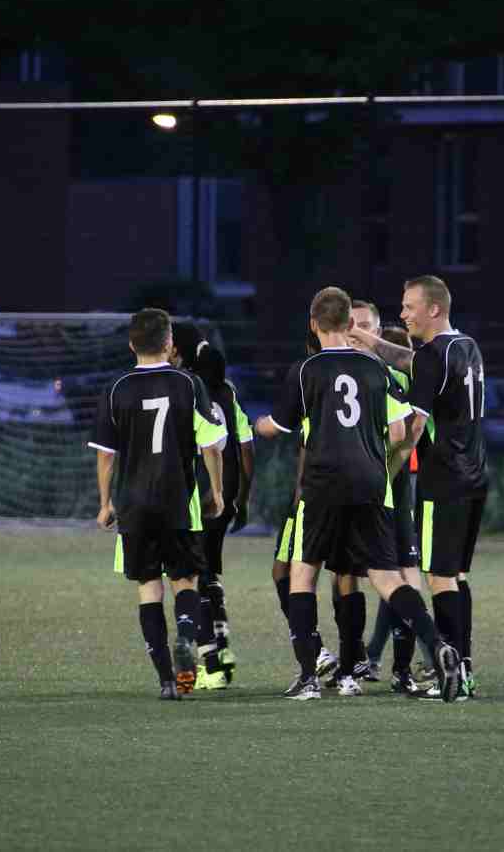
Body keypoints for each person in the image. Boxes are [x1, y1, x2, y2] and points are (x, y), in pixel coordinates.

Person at [255, 287, 462, 702]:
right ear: (350, 323)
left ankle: (308, 678)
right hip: (371, 482)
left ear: (313, 324)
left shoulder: (305, 370)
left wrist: (258, 425)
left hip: (323, 484)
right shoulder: (374, 369)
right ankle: (437, 643)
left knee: (304, 572)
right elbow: (400, 431)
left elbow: (278, 427)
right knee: (385, 577)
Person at [352, 275, 487, 699]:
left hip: (442, 480)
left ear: (433, 309)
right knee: (457, 576)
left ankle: (452, 676)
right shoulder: (465, 346)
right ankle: (465, 671)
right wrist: (367, 339)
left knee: (440, 578)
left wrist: (385, 472)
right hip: (475, 476)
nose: (403, 313)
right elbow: (411, 361)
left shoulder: (432, 356)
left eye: (410, 306)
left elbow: (413, 429)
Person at [90, 308, 228, 700]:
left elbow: (106, 454)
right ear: (169, 344)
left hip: (133, 505)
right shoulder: (188, 383)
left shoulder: (116, 388)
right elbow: (211, 446)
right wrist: (216, 492)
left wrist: (105, 503)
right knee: (185, 581)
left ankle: (168, 680)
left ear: (131, 344)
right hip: (177, 501)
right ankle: (185, 639)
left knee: (149, 587)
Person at [349, 304, 435, 694]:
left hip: (393, 485)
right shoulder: (337, 371)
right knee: (374, 575)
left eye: (365, 326)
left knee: (399, 571)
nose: (357, 333)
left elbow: (408, 432)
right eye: (351, 326)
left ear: (378, 332)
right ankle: (362, 658)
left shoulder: (391, 374)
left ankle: (419, 658)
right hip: (353, 487)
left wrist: (387, 472)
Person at [176, 335, 255, 690]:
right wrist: (243, 497)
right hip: (229, 490)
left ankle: (213, 662)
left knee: (194, 574)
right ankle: (221, 648)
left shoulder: (188, 391)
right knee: (211, 570)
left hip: (202, 491)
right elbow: (247, 447)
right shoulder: (229, 393)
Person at [269, 329, 339, 681]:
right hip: (350, 489)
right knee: (378, 576)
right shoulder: (352, 375)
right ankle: (348, 660)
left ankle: (319, 659)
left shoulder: (310, 376)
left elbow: (285, 430)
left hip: (316, 493)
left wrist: (263, 425)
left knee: (294, 573)